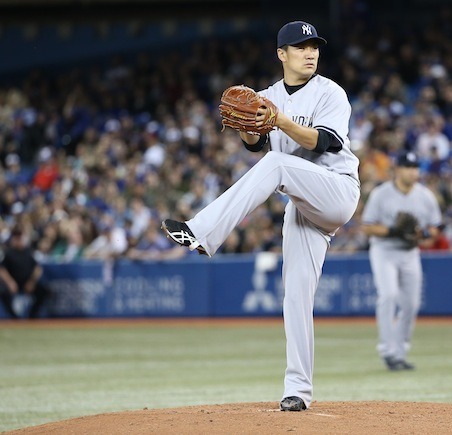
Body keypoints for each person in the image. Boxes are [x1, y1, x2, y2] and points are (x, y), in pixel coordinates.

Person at [161, 21, 360, 411]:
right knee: (296, 297)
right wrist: (248, 128)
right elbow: (256, 144)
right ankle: (297, 391)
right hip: (303, 205)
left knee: (278, 164)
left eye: (314, 46)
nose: (310, 52)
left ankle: (201, 232)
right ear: (281, 54)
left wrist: (277, 121)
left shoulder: (329, 92)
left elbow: (324, 141)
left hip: (337, 189)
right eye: (301, 47)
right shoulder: (266, 95)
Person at [361, 151, 443, 371]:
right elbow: (367, 226)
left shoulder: (425, 196)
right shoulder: (381, 194)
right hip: (384, 250)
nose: (413, 171)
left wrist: (424, 235)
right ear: (397, 170)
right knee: (388, 296)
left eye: (415, 167)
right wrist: (393, 230)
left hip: (410, 252)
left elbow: (435, 228)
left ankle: (399, 351)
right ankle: (388, 350)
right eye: (408, 167)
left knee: (411, 304)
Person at [0, 228, 51, 319]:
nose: (19, 241)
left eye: (20, 238)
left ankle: (32, 316)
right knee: (3, 293)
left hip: (28, 282)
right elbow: (2, 269)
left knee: (44, 291)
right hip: (14, 282)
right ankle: (14, 317)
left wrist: (32, 282)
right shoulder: (8, 252)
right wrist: (10, 283)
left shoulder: (28, 251)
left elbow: (37, 268)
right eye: (16, 239)